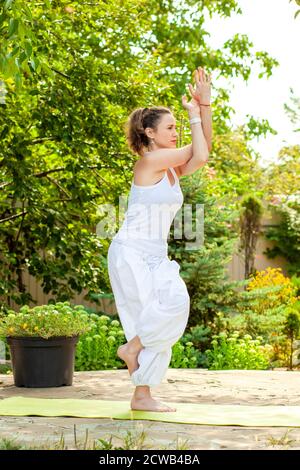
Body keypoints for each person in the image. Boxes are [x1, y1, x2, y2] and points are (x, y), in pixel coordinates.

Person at [107, 67, 212, 412]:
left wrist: (205, 107)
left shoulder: (170, 169)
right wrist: (194, 116)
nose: (176, 131)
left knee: (173, 307)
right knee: (150, 314)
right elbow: (195, 151)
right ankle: (143, 394)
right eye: (170, 127)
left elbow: (201, 153)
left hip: (155, 256)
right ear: (149, 133)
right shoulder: (149, 162)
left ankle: (133, 349)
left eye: (177, 127)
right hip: (131, 253)